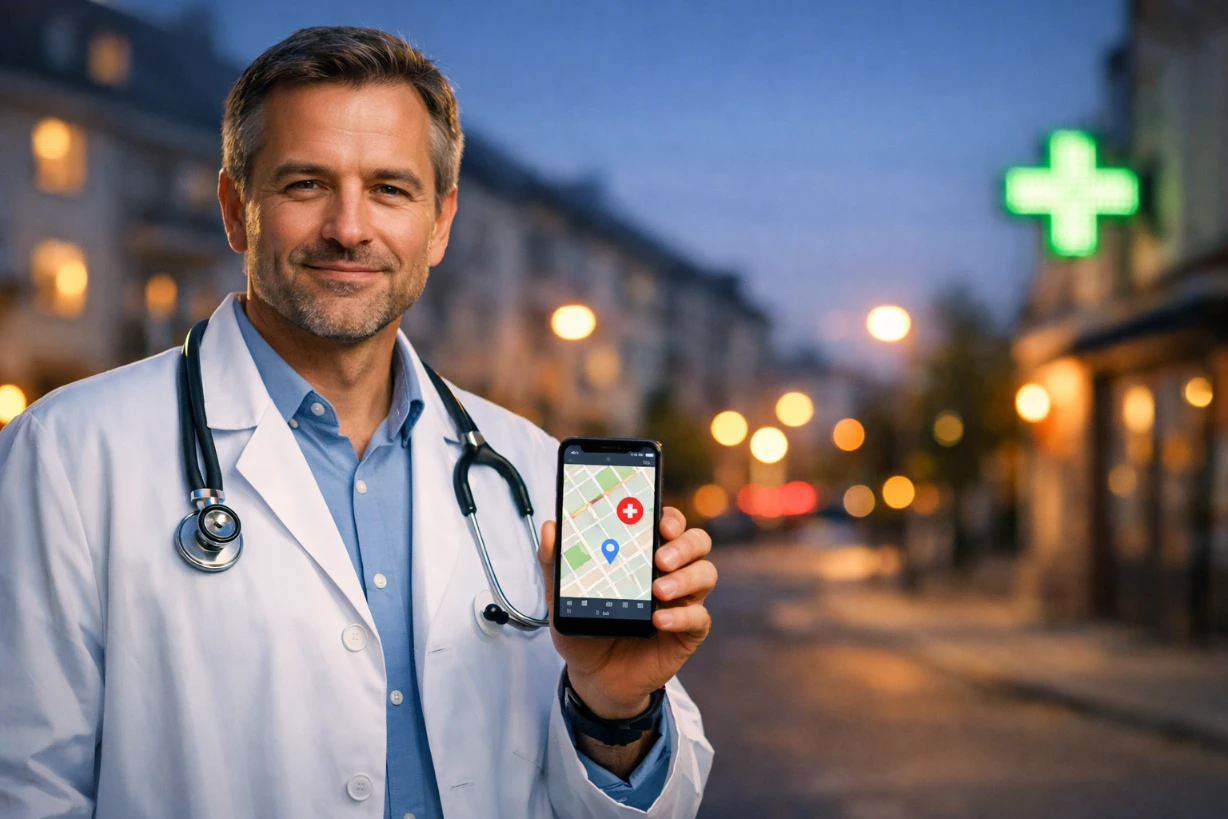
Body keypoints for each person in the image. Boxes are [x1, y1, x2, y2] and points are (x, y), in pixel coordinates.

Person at [0, 26, 715, 819]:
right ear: (238, 212)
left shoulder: (533, 467)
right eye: (306, 184)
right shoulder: (65, 453)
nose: (349, 226)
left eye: (389, 189)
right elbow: (23, 788)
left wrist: (614, 708)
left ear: (440, 222)